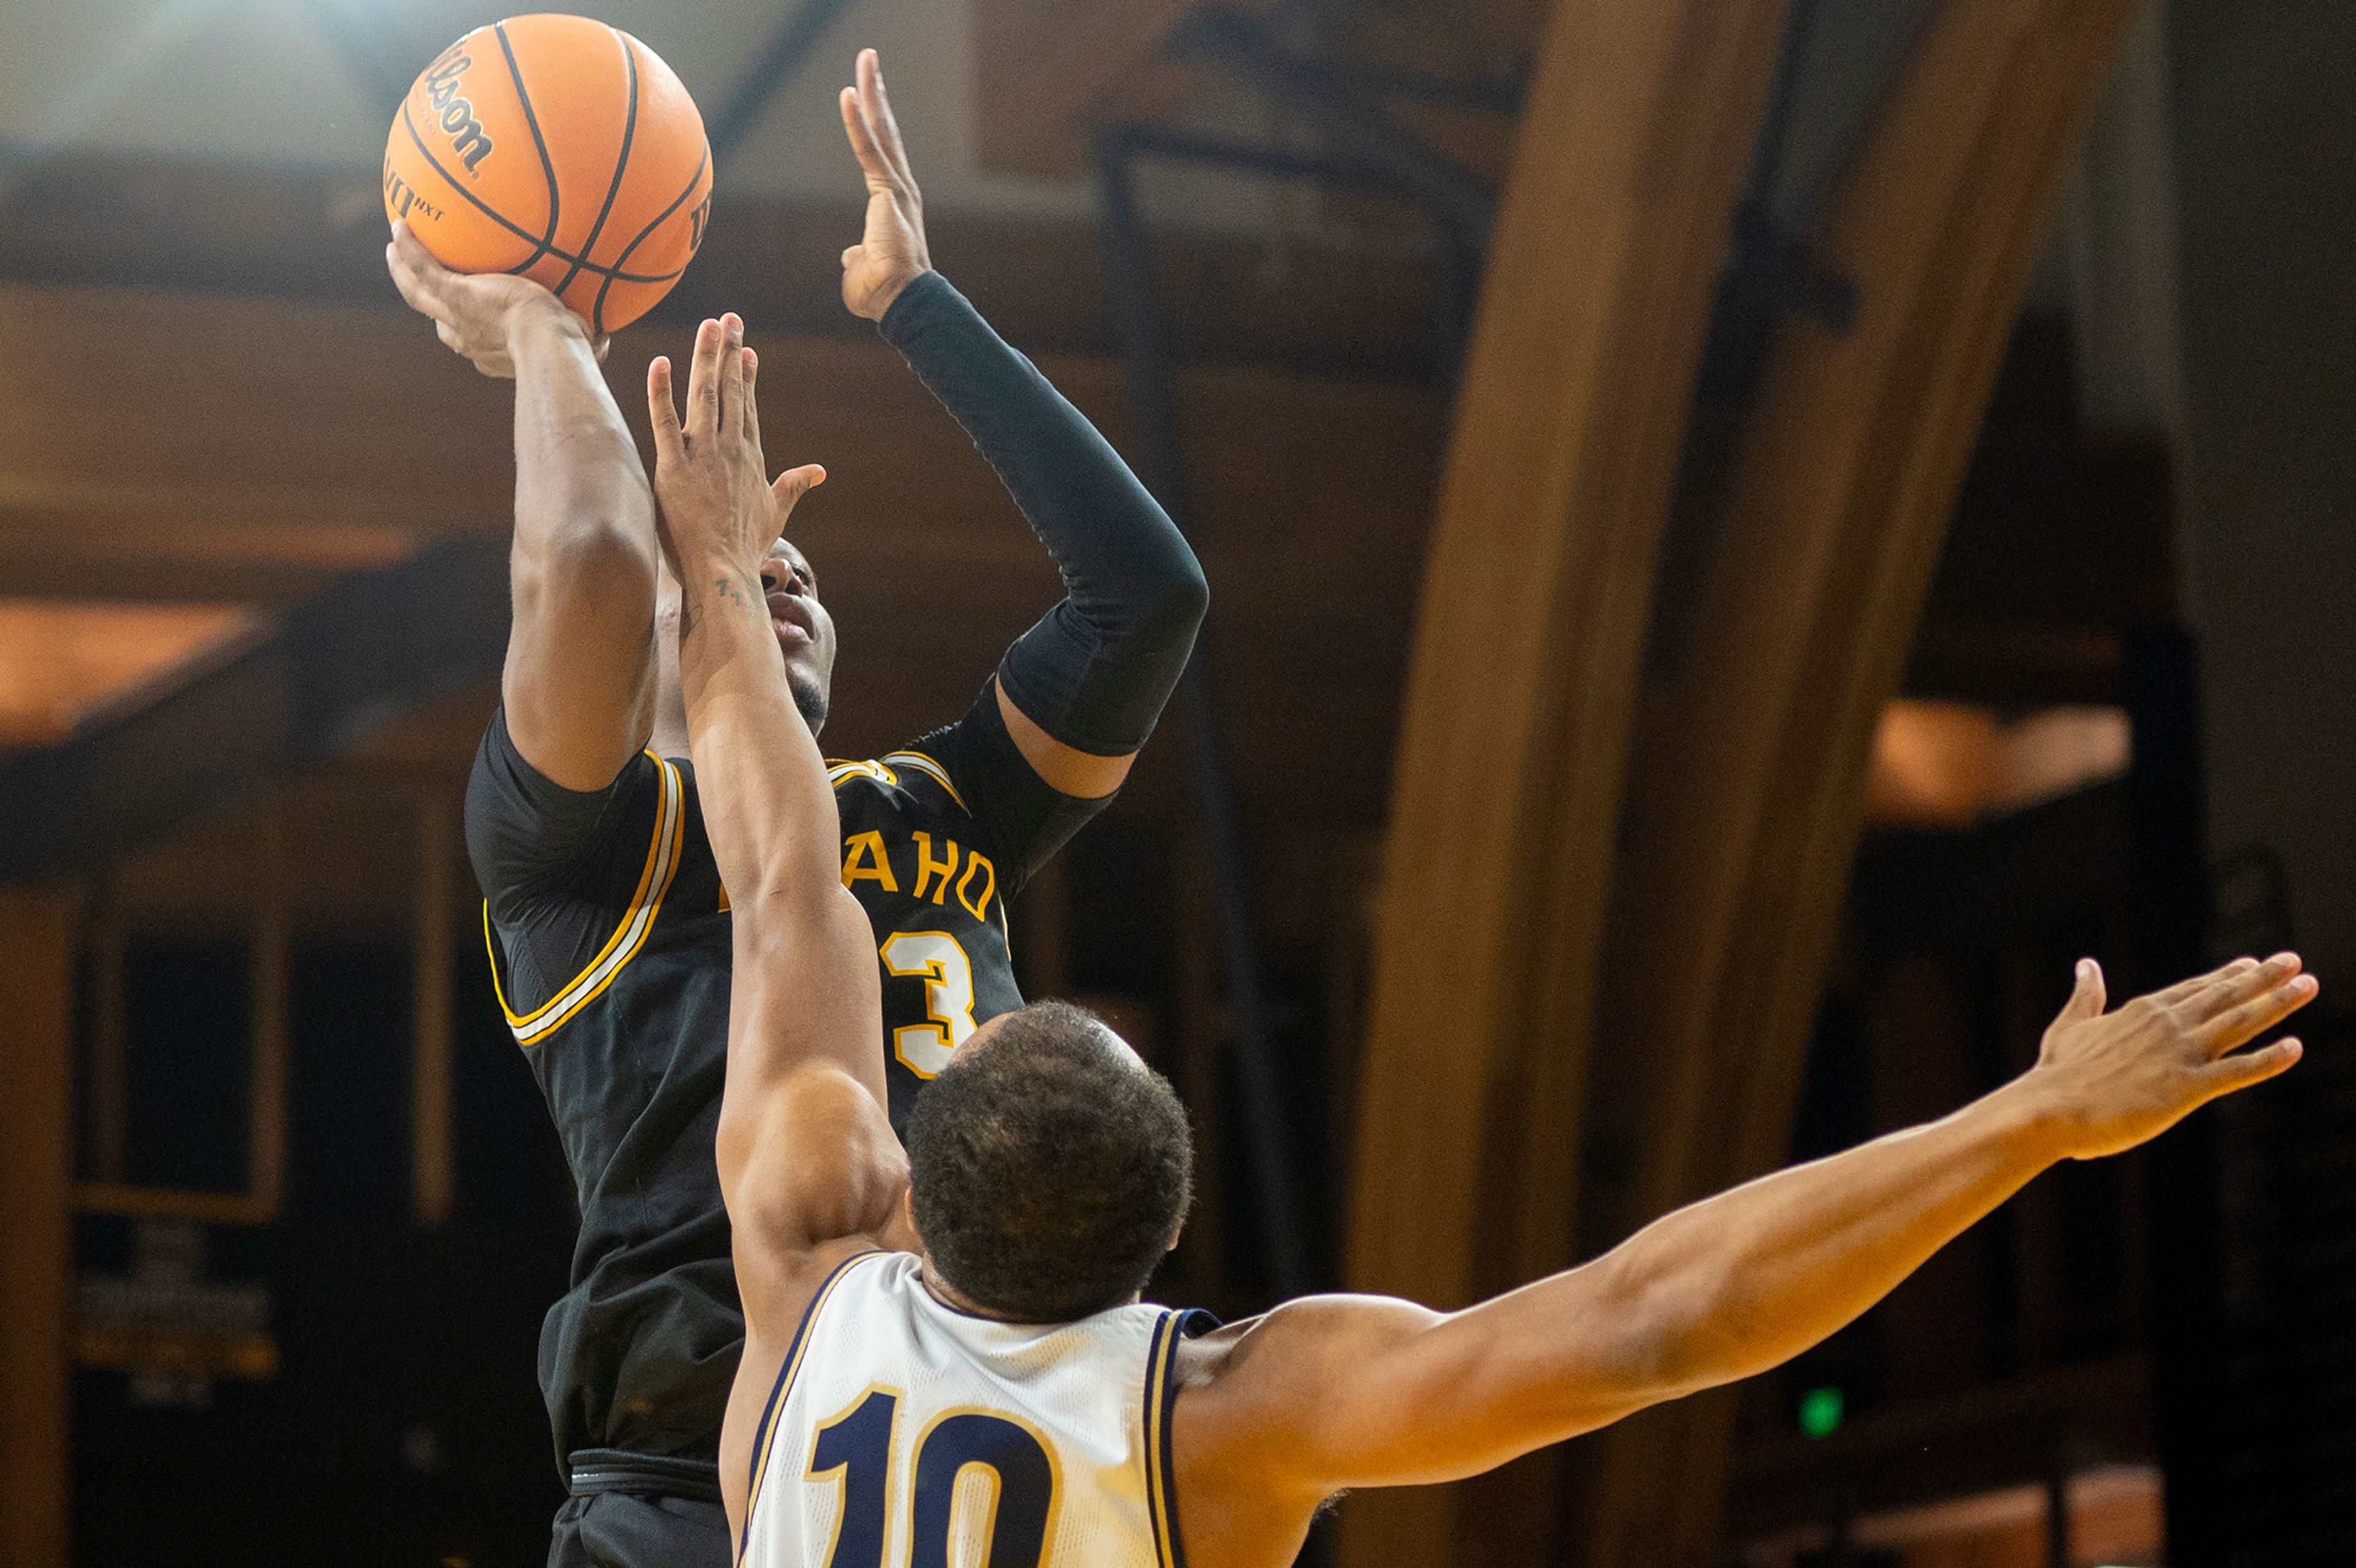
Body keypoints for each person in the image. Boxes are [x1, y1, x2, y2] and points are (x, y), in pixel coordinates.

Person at [650, 312, 2319, 1564]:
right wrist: (2026, 1120)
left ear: (914, 1172)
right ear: (1158, 1251)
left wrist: (724, 573)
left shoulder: (809, 1266)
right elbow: (1662, 1316)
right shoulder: (1223, 1416)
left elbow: (787, 868)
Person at [385, 48, 1206, 1568]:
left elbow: (1147, 598)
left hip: (973, 1449)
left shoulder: (943, 801)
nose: (784, 572)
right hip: (698, 1479)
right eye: (740, 576)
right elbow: (589, 567)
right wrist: (547, 321)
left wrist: (918, 304)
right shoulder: (584, 854)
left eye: (794, 566)